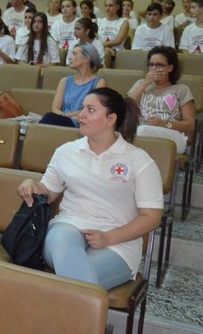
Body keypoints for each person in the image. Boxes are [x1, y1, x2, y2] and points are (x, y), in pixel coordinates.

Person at [17, 88, 163, 290]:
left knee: (77, 280)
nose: (81, 115)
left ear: (111, 119)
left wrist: (109, 237)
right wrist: (31, 184)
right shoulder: (66, 151)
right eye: (82, 108)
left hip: (118, 242)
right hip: (67, 227)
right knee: (65, 250)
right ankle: (82, 307)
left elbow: (151, 217)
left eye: (90, 110)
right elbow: (48, 192)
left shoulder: (139, 161)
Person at [128, 47, 195, 153]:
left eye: (159, 65)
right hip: (139, 129)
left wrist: (164, 123)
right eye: (151, 65)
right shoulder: (140, 84)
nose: (154, 68)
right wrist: (145, 83)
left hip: (172, 134)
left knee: (141, 131)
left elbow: (190, 124)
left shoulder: (181, 89)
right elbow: (127, 107)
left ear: (170, 68)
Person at [41, 43, 107, 127]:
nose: (69, 57)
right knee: (49, 118)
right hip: (64, 120)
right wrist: (67, 116)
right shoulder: (64, 81)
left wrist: (66, 115)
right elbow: (55, 108)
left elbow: (92, 109)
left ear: (87, 58)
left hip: (84, 123)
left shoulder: (99, 82)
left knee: (49, 118)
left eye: (74, 54)